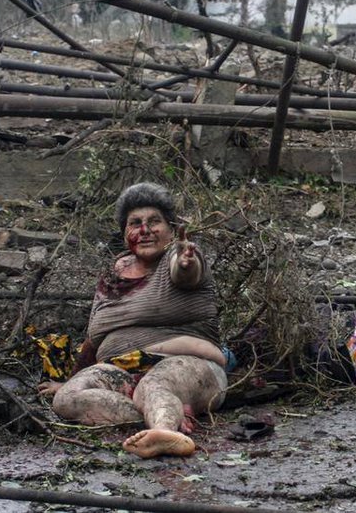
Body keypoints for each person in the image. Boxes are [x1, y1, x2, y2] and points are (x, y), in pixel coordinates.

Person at [37, 183, 227, 458]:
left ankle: (167, 433)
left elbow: (186, 273)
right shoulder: (113, 275)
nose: (145, 230)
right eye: (135, 223)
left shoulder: (179, 256)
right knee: (66, 398)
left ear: (171, 230)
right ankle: (150, 420)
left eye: (154, 222)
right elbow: (95, 338)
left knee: (154, 385)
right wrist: (68, 379)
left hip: (190, 366)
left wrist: (187, 262)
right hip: (122, 370)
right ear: (125, 233)